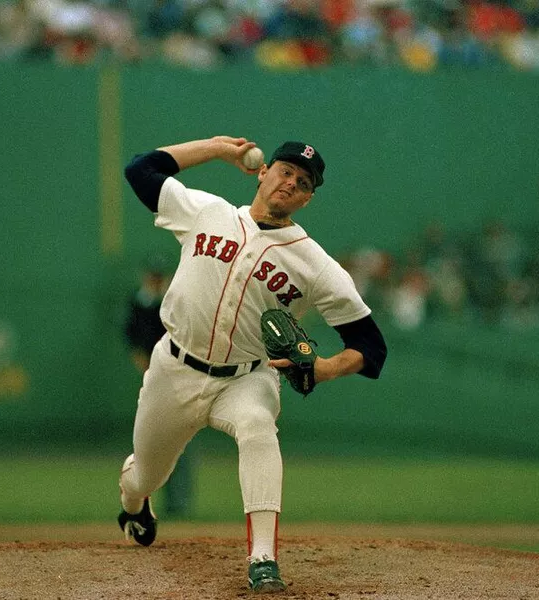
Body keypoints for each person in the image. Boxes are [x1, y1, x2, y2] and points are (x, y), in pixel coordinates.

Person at [116, 135, 387, 593]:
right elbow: (140, 170)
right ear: (263, 172)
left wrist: (326, 367)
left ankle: (264, 559)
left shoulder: (315, 265)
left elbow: (370, 345)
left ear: (307, 198)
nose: (291, 183)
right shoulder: (207, 212)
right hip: (174, 370)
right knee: (146, 474)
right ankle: (133, 500)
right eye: (285, 171)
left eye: (303, 182)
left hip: (246, 377)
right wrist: (218, 148)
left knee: (259, 426)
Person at [123, 264, 195, 517]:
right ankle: (143, 500)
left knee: (180, 441)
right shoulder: (139, 301)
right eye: (152, 275)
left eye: (158, 276)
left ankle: (179, 503)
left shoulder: (173, 300)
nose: (155, 280)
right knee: (148, 441)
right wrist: (140, 358)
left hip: (177, 374)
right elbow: (130, 334)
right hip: (151, 375)